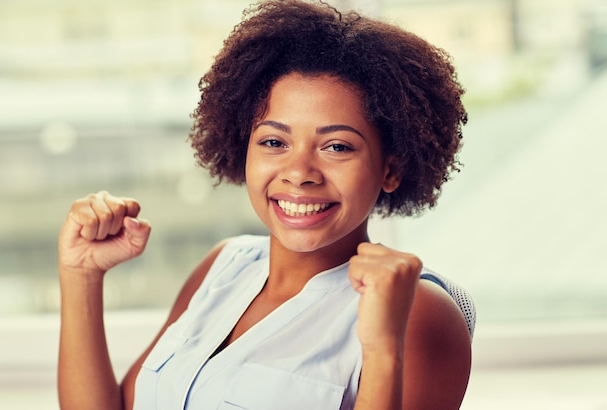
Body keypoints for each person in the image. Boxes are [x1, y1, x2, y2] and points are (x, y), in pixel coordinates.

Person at [57, 0, 474, 409]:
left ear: (391, 169)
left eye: (337, 146)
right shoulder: (224, 265)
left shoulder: (418, 312)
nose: (299, 172)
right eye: (274, 142)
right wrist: (80, 275)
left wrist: (383, 347)